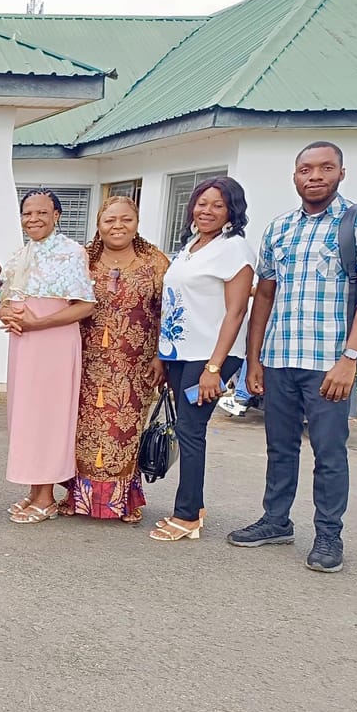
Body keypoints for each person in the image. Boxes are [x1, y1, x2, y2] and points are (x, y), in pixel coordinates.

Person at [229, 142, 357, 572]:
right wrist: (254, 358)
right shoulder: (280, 227)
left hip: (329, 361)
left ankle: (328, 536)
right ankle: (276, 521)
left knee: (329, 453)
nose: (315, 175)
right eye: (306, 169)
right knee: (279, 447)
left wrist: (350, 358)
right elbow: (264, 294)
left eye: (325, 168)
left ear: (341, 173)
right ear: (295, 176)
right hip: (280, 358)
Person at [150, 176, 255, 542]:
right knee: (186, 429)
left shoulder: (234, 249)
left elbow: (236, 311)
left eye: (217, 205)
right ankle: (194, 504)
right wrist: (163, 357)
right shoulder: (191, 246)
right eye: (201, 203)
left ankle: (188, 516)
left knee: (191, 431)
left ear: (232, 211)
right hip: (180, 352)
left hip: (209, 356)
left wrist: (214, 367)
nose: (206, 210)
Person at [59, 196, 170, 523]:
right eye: (110, 220)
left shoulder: (155, 264)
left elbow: (169, 312)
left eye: (125, 219)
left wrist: (161, 357)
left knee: (125, 432)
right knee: (83, 431)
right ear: (99, 224)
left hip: (134, 366)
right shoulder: (83, 261)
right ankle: (77, 498)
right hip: (85, 363)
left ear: (136, 223)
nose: (118, 226)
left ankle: (123, 501)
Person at [0, 188, 96, 524]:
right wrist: (6, 315)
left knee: (49, 417)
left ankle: (47, 496)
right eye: (28, 213)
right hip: (24, 343)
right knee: (25, 415)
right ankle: (33, 489)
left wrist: (38, 323)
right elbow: (5, 298)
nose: (34, 219)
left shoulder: (71, 253)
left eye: (42, 212)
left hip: (52, 341)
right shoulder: (21, 255)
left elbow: (84, 305)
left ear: (56, 215)